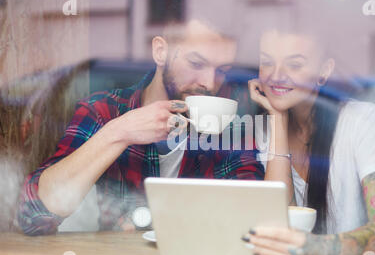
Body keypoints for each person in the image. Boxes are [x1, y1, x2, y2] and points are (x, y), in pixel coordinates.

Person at [18, 18, 264, 236]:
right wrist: (120, 132)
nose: (210, 83)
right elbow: (33, 215)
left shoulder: (229, 126)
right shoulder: (105, 111)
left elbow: (255, 218)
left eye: (222, 70)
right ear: (160, 51)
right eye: (196, 63)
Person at [242, 24, 375, 255]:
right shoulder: (265, 129)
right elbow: (280, 227)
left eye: (294, 65)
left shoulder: (362, 119)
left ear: (324, 71)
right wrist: (278, 118)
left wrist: (319, 249)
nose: (276, 75)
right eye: (267, 62)